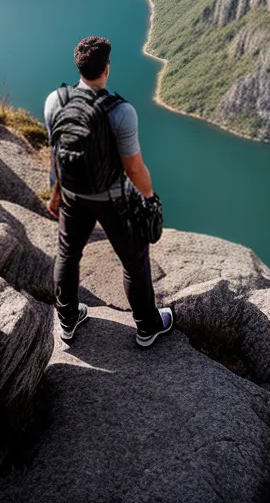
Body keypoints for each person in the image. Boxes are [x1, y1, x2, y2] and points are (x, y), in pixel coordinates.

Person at [45, 35, 173, 346]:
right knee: (134, 261)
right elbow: (133, 168)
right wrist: (150, 198)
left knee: (68, 254)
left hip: (73, 196)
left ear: (79, 67)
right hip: (114, 199)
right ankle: (146, 326)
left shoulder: (55, 101)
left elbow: (56, 152)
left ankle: (67, 319)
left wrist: (55, 192)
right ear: (107, 69)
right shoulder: (120, 112)